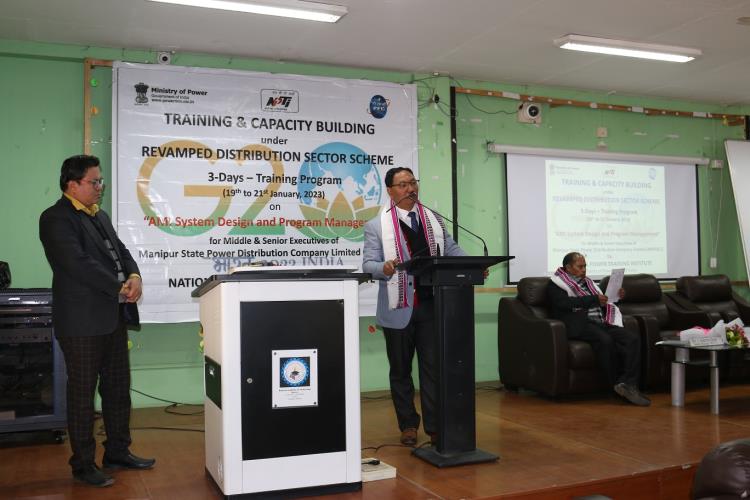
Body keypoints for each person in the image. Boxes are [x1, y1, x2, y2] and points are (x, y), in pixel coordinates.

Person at [39, 155, 155, 487]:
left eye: (100, 181)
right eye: (94, 181)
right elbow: (76, 263)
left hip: (112, 318)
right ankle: (83, 464)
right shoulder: (55, 218)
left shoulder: (99, 215)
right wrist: (118, 285)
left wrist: (134, 275)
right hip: (81, 323)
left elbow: (121, 251)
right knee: (82, 395)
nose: (100, 187)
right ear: (72, 184)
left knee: (118, 389)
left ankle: (117, 451)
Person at [363, 166, 467, 446]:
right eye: (403, 184)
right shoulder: (376, 226)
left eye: (413, 182)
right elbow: (368, 264)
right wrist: (384, 267)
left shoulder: (433, 219)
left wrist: (471, 264)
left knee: (433, 370)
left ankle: (434, 427)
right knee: (400, 372)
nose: (410, 188)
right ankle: (408, 424)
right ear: (390, 191)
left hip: (432, 307)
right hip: (398, 308)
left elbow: (451, 249)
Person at [547, 252, 650, 406]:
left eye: (585, 266)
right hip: (580, 324)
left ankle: (627, 384)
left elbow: (604, 303)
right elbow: (564, 304)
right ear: (568, 267)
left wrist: (616, 296)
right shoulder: (556, 284)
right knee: (605, 340)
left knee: (631, 339)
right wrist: (593, 299)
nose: (584, 270)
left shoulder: (588, 283)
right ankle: (614, 385)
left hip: (601, 321)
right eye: (580, 266)